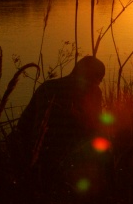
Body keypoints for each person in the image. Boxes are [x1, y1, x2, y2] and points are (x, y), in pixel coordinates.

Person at [12, 55, 106, 187]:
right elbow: (96, 130)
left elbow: (22, 125)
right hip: (70, 164)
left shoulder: (46, 87)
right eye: (99, 80)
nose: (98, 84)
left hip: (38, 160)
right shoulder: (94, 91)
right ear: (95, 78)